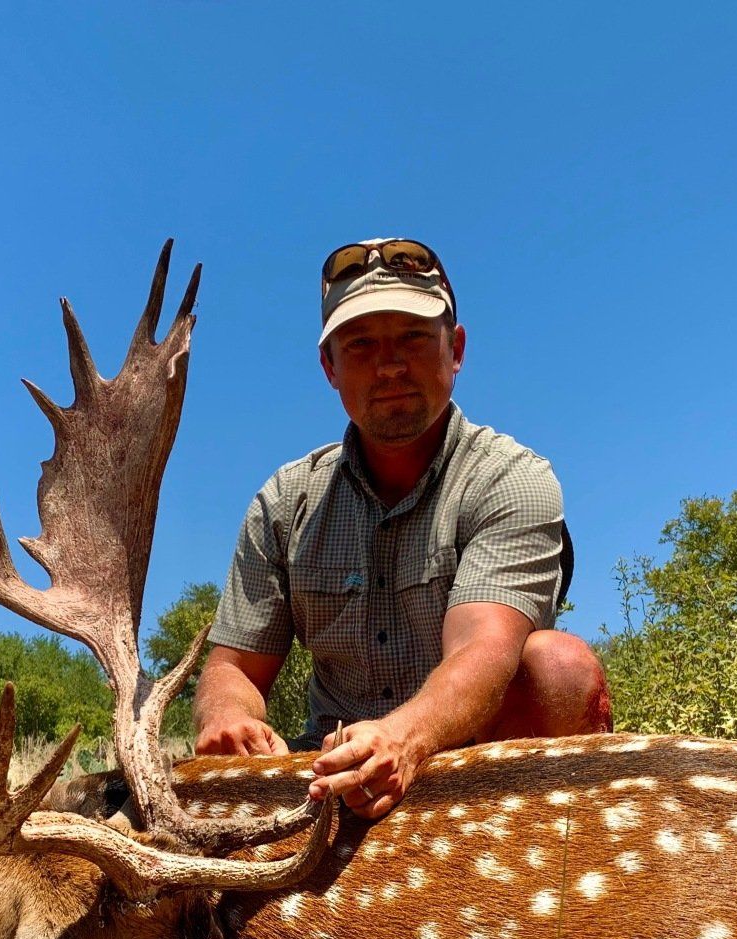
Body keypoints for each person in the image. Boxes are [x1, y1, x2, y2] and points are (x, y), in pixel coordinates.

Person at [193, 237, 611, 820]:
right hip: (331, 771)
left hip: (475, 760)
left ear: (456, 349)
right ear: (329, 368)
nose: (389, 366)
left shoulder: (512, 478)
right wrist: (227, 718)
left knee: (559, 668)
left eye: (413, 338)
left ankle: (563, 854)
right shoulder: (285, 502)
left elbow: (484, 648)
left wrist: (401, 741)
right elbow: (233, 666)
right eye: (360, 346)